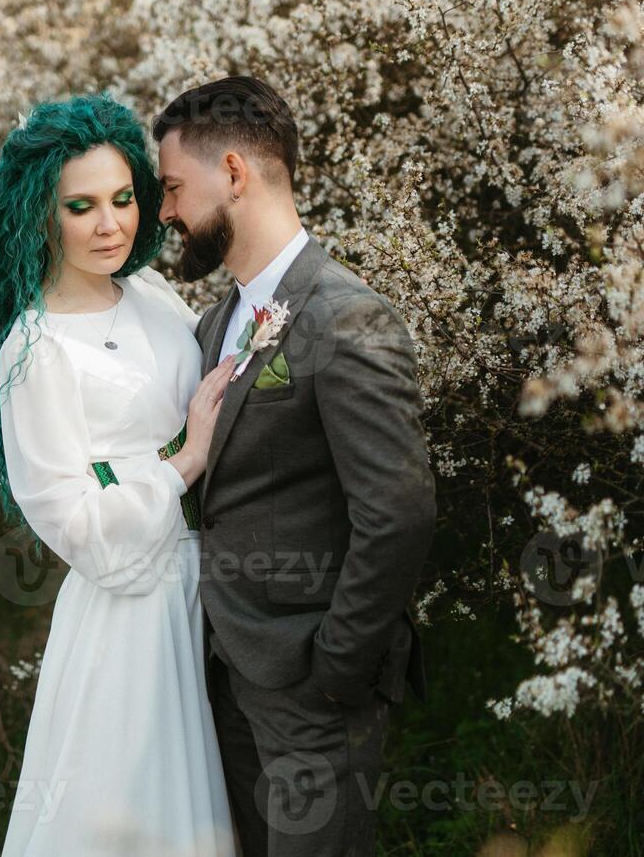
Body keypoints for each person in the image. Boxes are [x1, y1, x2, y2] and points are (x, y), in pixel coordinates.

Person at [153, 76, 436, 857]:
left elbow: (398, 510)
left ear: (235, 173)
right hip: (225, 679)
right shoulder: (215, 323)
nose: (167, 211)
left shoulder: (348, 318)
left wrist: (337, 669)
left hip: (314, 688)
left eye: (175, 187)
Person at [0, 93, 238, 856]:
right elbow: (71, 523)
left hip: (210, 583)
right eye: (81, 206)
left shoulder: (150, 293)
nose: (110, 225)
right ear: (42, 214)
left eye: (122, 200)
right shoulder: (34, 347)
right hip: (131, 609)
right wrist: (182, 467)